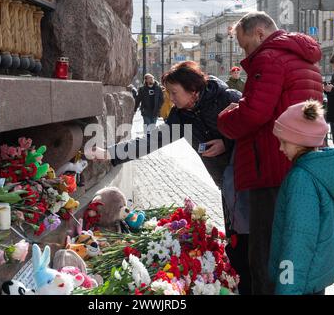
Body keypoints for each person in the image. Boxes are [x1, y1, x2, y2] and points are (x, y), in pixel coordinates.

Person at [87, 61, 251, 294]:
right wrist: (110, 153)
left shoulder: (227, 98)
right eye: (168, 93)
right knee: (236, 243)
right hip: (227, 184)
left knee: (252, 242)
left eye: (174, 93)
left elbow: (257, 130)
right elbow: (150, 142)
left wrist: (227, 142)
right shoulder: (182, 117)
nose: (170, 99)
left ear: (193, 90)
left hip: (252, 180)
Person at [217, 11, 323, 295]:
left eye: (245, 44)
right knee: (299, 244)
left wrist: (225, 119)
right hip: (302, 164)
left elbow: (254, 113)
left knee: (265, 251)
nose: (244, 52)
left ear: (260, 34)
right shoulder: (305, 59)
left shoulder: (269, 57)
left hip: (270, 166)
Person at [269, 100, 334, 295]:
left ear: (298, 140)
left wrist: (287, 288)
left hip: (299, 283)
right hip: (315, 276)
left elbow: (298, 239)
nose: (280, 148)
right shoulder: (322, 169)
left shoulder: (301, 178)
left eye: (283, 142)